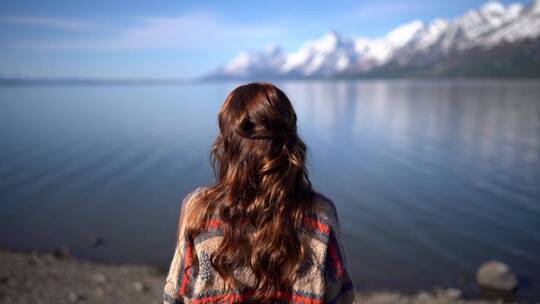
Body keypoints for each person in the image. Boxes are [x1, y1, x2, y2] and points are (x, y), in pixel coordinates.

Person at [163, 82, 356, 304]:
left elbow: (174, 295)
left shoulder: (198, 210)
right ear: (290, 140)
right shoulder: (320, 216)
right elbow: (341, 297)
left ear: (228, 144)